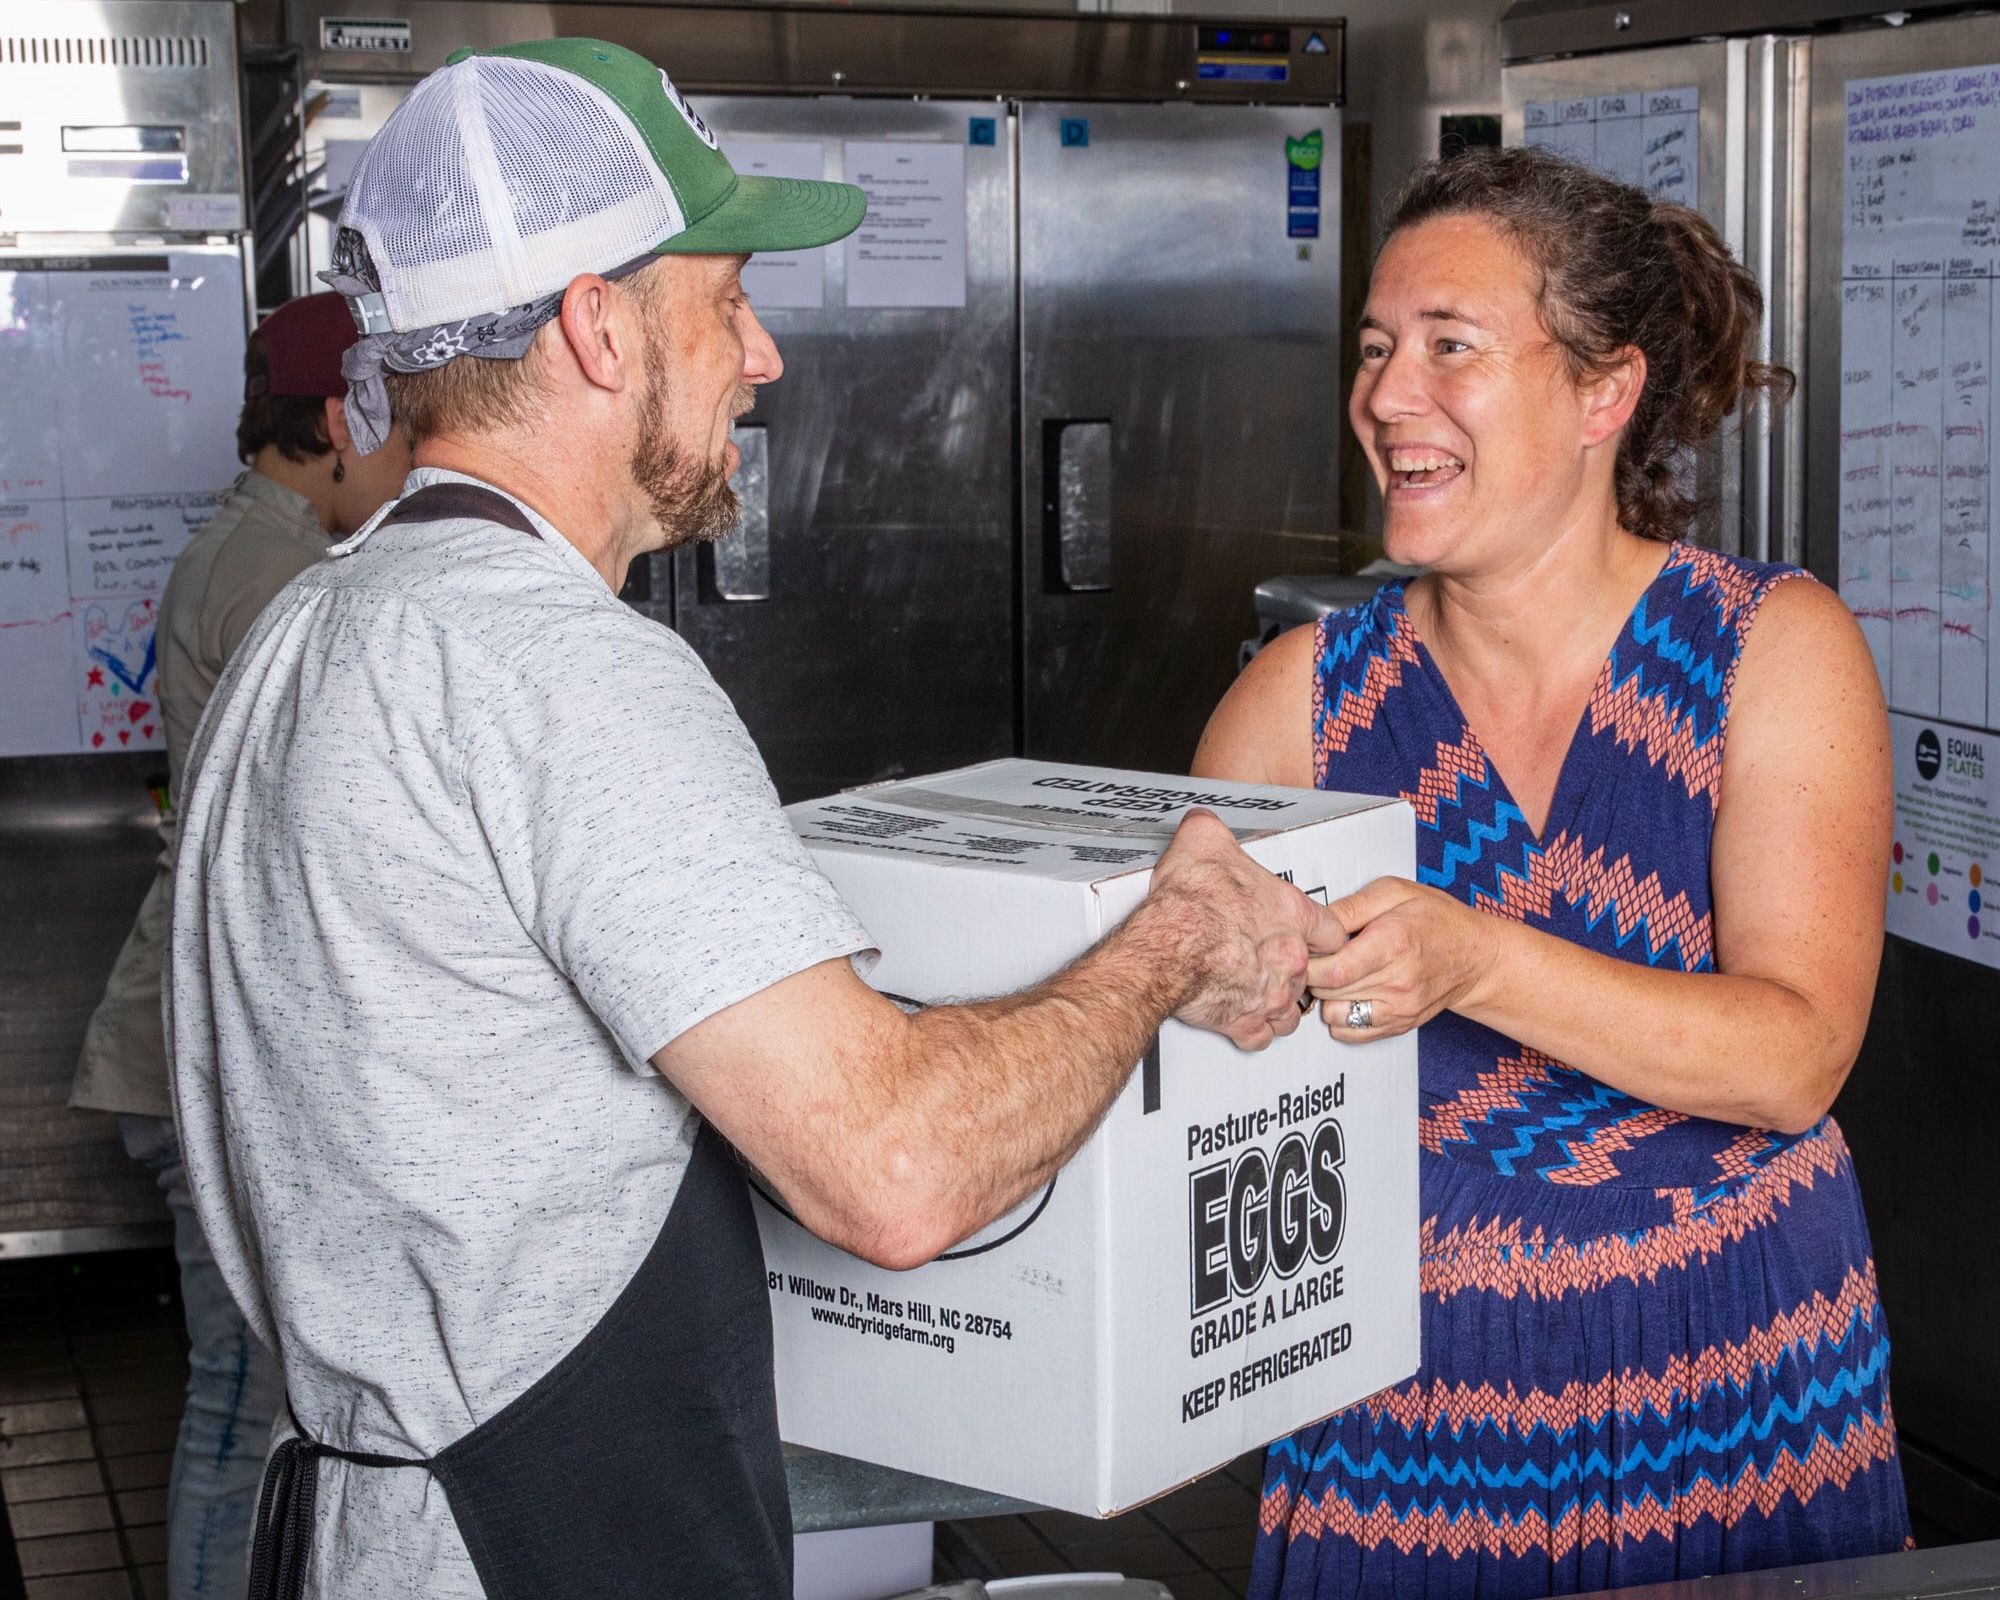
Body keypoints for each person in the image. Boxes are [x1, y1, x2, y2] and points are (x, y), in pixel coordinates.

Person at [163, 39, 1340, 1600]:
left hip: (368, 1530)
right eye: (723, 303)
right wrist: (1169, 944)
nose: (763, 355)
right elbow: (896, 1172)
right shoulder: (559, 668)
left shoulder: (317, 627)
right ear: (596, 325)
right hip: (539, 1546)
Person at [1195, 145, 1910, 1598]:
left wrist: (1476, 959)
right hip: (1405, 1404)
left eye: (1451, 347)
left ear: (1604, 392)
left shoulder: (1771, 652)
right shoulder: (1295, 705)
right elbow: (1210, 1084)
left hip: (1738, 1378)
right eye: (1380, 349)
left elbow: (1795, 1058)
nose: (1390, 394)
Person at [69, 292, 413, 1600]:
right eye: (392, 421)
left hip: (193, 1036)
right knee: (243, 1395)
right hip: (210, 1054)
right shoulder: (278, 576)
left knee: (246, 1389)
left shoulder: (254, 548)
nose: (409, 455)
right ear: (336, 419)